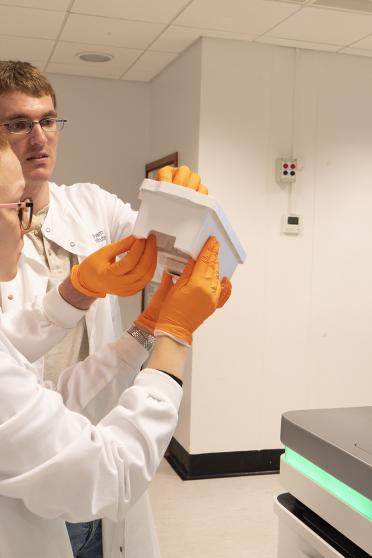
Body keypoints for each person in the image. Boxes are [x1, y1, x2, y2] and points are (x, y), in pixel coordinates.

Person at [0, 60, 208, 558]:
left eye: (48, 121)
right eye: (17, 124)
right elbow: (106, 470)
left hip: (90, 426)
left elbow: (181, 252)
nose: (38, 137)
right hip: (52, 465)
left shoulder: (89, 204)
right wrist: (172, 336)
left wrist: (181, 206)